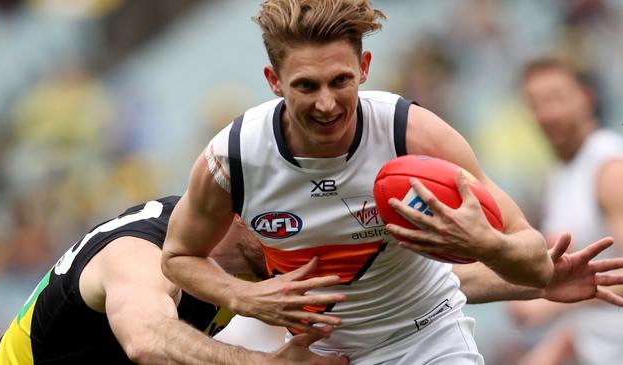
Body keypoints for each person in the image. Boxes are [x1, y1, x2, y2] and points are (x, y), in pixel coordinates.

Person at [159, 1, 614, 363]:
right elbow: (178, 256)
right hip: (321, 357)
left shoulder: (410, 133)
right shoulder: (233, 157)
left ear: (365, 68)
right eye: (306, 86)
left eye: (340, 80)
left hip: (431, 341)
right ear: (274, 81)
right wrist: (246, 296)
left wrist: (487, 245)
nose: (327, 104)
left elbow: (533, 259)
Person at [0, 195, 349, 365]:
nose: (299, 241)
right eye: (288, 226)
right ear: (240, 212)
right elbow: (147, 340)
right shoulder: (139, 254)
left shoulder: (242, 257)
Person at [505, 58, 623, 365]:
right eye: (535, 103)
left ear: (587, 97)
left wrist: (549, 307)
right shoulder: (562, 174)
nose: (547, 113)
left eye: (557, 98)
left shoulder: (609, 168)